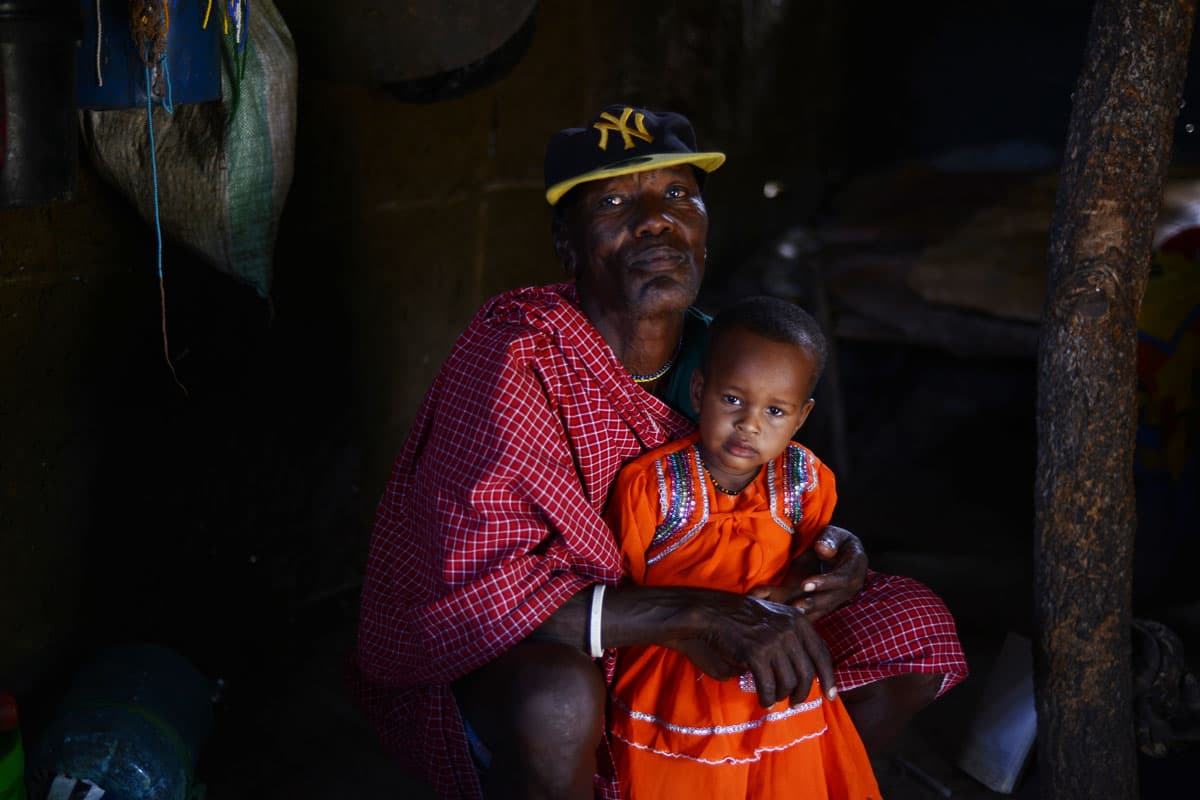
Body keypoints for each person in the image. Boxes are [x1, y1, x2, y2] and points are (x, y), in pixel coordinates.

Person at [352, 104, 967, 800]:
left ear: (704, 231)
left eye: (679, 195)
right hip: (575, 649)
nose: (655, 218)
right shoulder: (520, 356)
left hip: (719, 625)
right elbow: (478, 590)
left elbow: (768, 497)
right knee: (556, 700)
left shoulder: (732, 356)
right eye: (616, 201)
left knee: (911, 628)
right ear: (567, 242)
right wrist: (696, 615)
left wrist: (827, 551)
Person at [605, 296, 880, 799]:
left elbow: (805, 566)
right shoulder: (652, 486)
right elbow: (626, 582)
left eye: (775, 410)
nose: (750, 424)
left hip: (771, 679)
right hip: (673, 675)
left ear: (800, 419)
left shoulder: (806, 481)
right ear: (699, 389)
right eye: (733, 399)